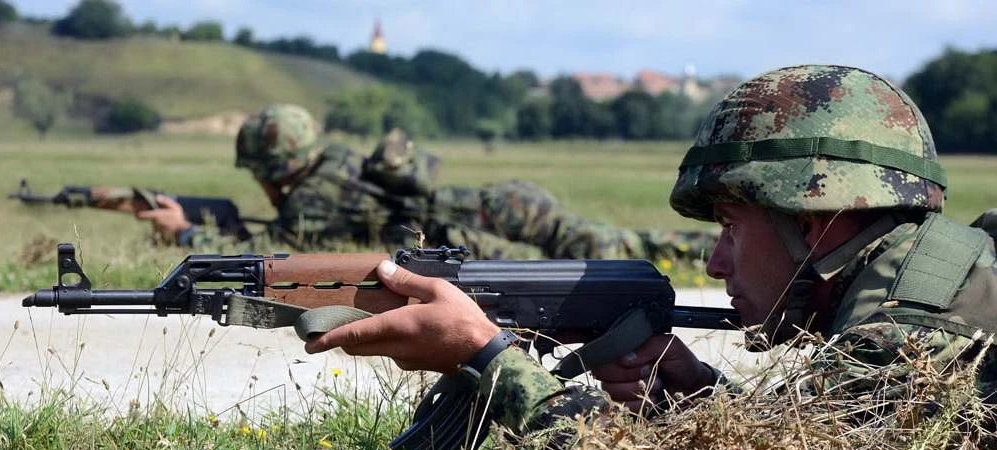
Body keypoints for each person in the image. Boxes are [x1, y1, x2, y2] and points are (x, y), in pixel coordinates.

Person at [302, 64, 997, 450]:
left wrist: (489, 358)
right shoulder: (921, 280)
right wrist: (699, 397)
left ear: (814, 222)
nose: (717, 262)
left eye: (729, 225)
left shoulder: (910, 331)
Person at [138, 104, 715, 261]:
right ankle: (718, 248)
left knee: (602, 255)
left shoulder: (311, 198)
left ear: (273, 168)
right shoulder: (337, 161)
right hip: (500, 201)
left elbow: (264, 255)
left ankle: (718, 250)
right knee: (612, 244)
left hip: (477, 227)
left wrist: (186, 234)